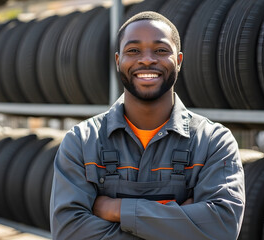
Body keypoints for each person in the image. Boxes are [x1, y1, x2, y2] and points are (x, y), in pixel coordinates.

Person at [50, 11, 245, 240]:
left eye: (161, 50)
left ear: (179, 61)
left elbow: (222, 226)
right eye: (133, 50)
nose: (147, 59)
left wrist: (117, 209)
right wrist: (180, 220)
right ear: (118, 61)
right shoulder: (82, 142)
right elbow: (69, 232)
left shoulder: (213, 142)